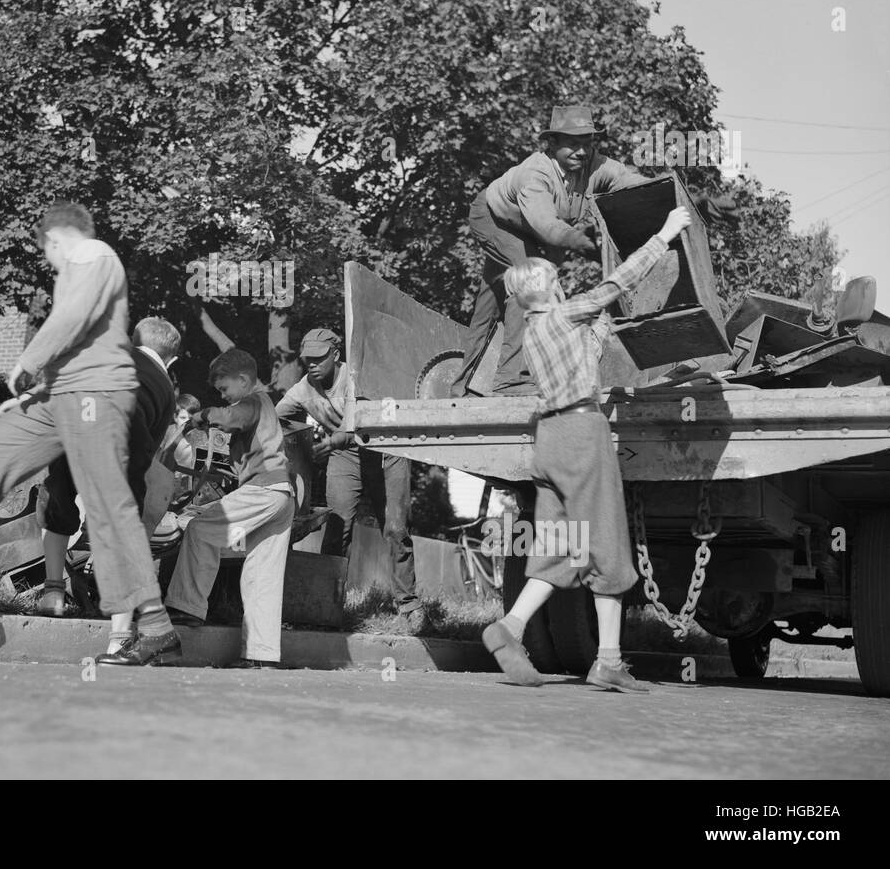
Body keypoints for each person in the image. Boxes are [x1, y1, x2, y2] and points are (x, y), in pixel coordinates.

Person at [0, 202, 183, 667]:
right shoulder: (85, 284)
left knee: (102, 510)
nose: (49, 261)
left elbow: (73, 320)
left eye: (48, 250)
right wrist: (28, 399)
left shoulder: (94, 253)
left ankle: (153, 628)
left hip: (95, 401)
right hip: (69, 398)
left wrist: (28, 360)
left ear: (60, 238)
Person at [481, 203, 694, 692]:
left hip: (550, 441)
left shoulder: (535, 332)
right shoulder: (561, 314)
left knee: (560, 548)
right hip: (582, 435)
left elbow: (588, 346)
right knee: (608, 547)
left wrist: (600, 325)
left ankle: (508, 629)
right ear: (549, 288)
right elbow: (617, 284)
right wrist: (663, 234)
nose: (563, 287)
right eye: (558, 281)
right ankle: (609, 660)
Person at [449, 105, 650, 399]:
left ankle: (460, 390)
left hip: (531, 233)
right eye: (573, 143)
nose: (581, 151)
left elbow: (632, 184)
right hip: (494, 220)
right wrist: (585, 246)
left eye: (587, 143)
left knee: (489, 305)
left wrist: (683, 198)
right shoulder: (536, 173)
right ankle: (512, 381)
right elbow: (547, 228)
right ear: (552, 143)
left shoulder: (595, 165)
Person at [31, 316, 180, 657]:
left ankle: (53, 591)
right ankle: (119, 638)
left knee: (58, 503)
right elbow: (147, 449)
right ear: (172, 358)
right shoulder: (163, 388)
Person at [276, 327, 425, 633]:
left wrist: (329, 443)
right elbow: (274, 418)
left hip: (385, 450)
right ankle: (326, 608)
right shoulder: (303, 389)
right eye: (307, 359)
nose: (312, 365)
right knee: (335, 526)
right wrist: (296, 443)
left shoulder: (356, 377)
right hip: (346, 456)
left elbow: (356, 428)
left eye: (319, 358)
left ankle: (409, 606)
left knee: (395, 528)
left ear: (336, 355)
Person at [164, 348, 294, 668]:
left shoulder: (253, 401)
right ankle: (260, 656)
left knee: (201, 528)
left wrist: (204, 415)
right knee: (261, 576)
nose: (223, 395)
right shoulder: (264, 405)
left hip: (263, 489)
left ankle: (187, 607)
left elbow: (232, 417)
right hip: (282, 495)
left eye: (224, 389)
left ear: (243, 380)